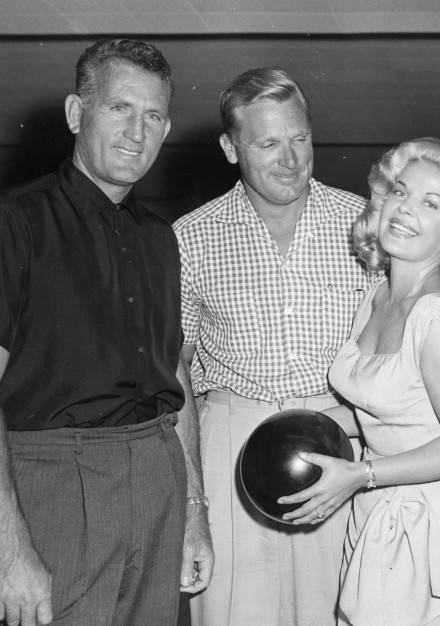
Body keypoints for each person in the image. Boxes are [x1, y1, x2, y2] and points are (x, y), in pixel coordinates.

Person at [0, 39, 213, 626]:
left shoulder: (160, 238)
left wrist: (194, 510)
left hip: (157, 475)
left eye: (152, 117)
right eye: (119, 108)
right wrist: (8, 548)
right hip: (53, 484)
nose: (135, 132)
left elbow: (177, 374)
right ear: (76, 113)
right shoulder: (17, 223)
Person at [173, 67, 375, 625]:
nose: (290, 159)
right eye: (268, 143)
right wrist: (194, 503)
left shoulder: (364, 225)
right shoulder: (190, 237)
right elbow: (175, 370)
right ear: (230, 147)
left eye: (299, 138)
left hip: (338, 439)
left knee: (342, 610)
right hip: (230, 446)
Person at [279, 137, 440, 625]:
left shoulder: (439, 320)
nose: (405, 209)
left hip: (421, 517)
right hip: (376, 501)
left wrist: (362, 475)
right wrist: (305, 419)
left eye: (430, 202)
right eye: (400, 191)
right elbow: (388, 408)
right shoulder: (378, 295)